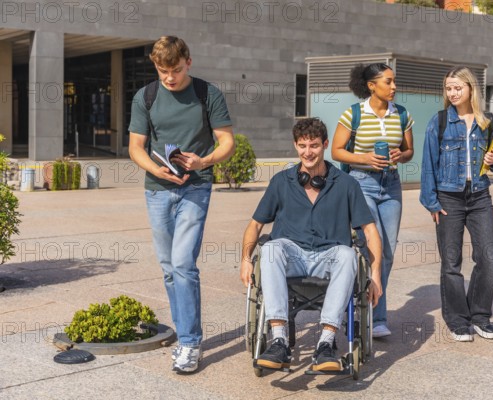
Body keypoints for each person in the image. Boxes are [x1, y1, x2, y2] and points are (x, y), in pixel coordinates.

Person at [240, 118, 382, 372]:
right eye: (303, 145)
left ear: (325, 145)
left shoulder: (347, 184)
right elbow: (255, 225)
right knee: (271, 248)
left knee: (348, 254)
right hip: (292, 256)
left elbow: (370, 231)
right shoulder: (281, 182)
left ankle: (326, 344)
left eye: (314, 145)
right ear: (295, 145)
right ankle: (280, 341)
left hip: (329, 257)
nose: (308, 152)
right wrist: (244, 259)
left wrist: (376, 274)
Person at [128, 36, 235, 373]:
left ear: (188, 61)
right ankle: (185, 331)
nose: (169, 78)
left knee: (182, 263)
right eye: (162, 71)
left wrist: (203, 162)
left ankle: (190, 343)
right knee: (168, 268)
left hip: (196, 187)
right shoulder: (145, 96)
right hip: (157, 190)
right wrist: (155, 168)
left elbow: (227, 142)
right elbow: (136, 147)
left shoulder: (207, 94)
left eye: (174, 70)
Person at [419, 66, 493, 342]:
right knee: (451, 261)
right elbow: (428, 165)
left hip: (480, 196)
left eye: (458, 87)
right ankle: (458, 319)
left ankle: (480, 316)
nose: (453, 92)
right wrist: (431, 202)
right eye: (448, 88)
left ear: (471, 89)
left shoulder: (487, 121)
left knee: (488, 258)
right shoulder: (440, 121)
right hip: (448, 198)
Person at [331, 63, 414, 338]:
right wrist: (365, 158)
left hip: (391, 187)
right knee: (370, 247)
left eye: (394, 81)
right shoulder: (353, 114)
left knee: (387, 253)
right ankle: (358, 310)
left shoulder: (401, 114)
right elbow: (337, 151)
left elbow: (409, 150)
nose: (394, 87)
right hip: (361, 184)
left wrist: (399, 156)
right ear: (371, 86)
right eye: (388, 82)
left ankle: (375, 314)